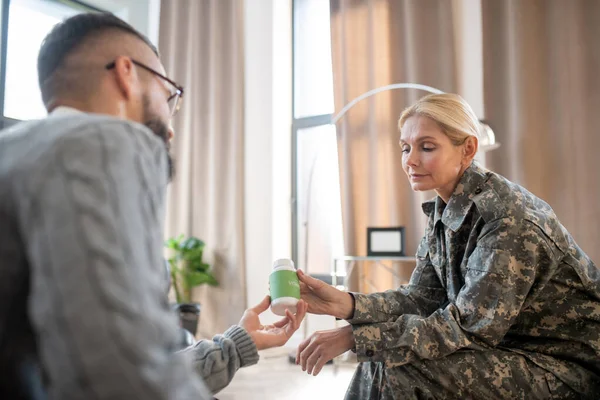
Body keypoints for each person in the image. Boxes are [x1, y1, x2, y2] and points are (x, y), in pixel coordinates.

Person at [0, 12, 306, 399]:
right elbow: (120, 377)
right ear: (126, 74)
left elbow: (97, 358)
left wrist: (234, 345)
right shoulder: (99, 144)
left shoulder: (21, 155)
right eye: (169, 96)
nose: (172, 125)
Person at [295, 93, 600, 399]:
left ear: (467, 149)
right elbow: (423, 297)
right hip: (510, 351)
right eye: (405, 148)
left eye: (426, 147)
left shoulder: (508, 218)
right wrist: (347, 304)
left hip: (567, 367)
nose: (410, 160)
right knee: (384, 357)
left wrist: (355, 337)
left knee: (399, 366)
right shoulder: (444, 208)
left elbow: (468, 328)